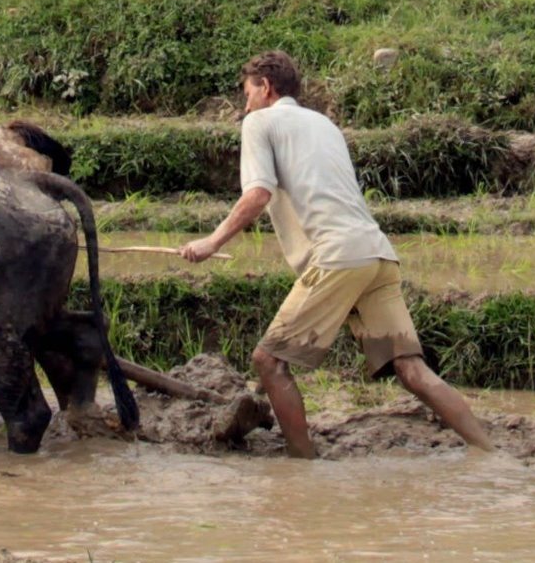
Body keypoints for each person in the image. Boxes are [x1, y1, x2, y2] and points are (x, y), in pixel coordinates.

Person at [182, 51, 491, 458]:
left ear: (266, 87)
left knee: (268, 361)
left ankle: (301, 466)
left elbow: (257, 194)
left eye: (247, 94)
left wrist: (212, 242)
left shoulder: (259, 122)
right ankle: (489, 451)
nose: (246, 105)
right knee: (411, 369)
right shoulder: (325, 124)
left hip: (337, 257)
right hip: (376, 253)